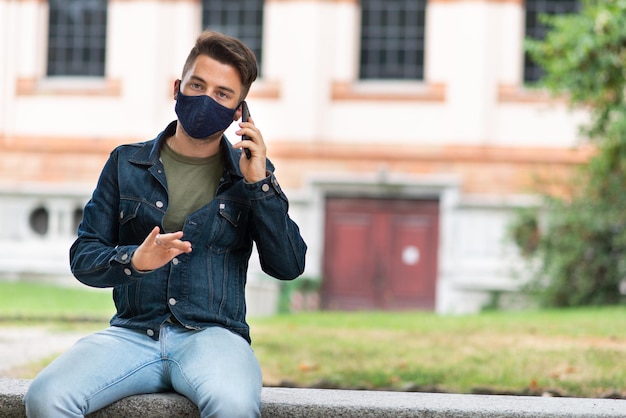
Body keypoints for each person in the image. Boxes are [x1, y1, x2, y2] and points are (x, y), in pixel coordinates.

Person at [24, 30, 307, 418]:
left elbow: (288, 266)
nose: (207, 99)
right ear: (178, 87)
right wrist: (135, 260)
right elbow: (84, 257)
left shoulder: (250, 176)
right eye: (197, 85)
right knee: (46, 395)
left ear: (240, 111)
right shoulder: (126, 163)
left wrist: (259, 183)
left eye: (223, 94)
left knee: (233, 405)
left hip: (213, 338)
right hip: (132, 334)